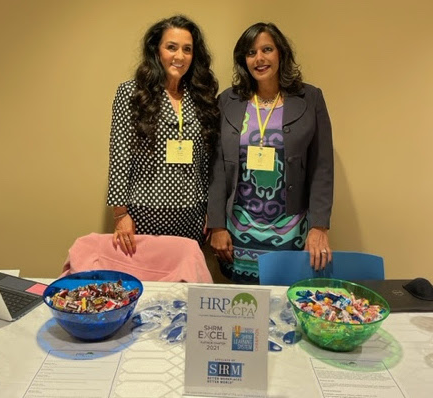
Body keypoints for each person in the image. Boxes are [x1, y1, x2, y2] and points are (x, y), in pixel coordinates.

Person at [208, 22, 334, 284]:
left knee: (284, 306)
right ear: (244, 59)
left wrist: (319, 226)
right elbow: (217, 168)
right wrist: (217, 225)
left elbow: (322, 166)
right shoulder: (228, 101)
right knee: (245, 308)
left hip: (291, 229)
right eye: (251, 53)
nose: (259, 58)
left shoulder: (310, 98)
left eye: (267, 49)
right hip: (238, 230)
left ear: (281, 54)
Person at [107, 15, 219, 255]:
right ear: (156, 51)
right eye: (171, 47)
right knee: (150, 287)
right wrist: (120, 214)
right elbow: (120, 155)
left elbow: (208, 160)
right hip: (144, 216)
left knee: (184, 286)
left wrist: (213, 210)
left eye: (187, 49)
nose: (179, 56)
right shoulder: (131, 92)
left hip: (192, 217)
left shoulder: (201, 95)